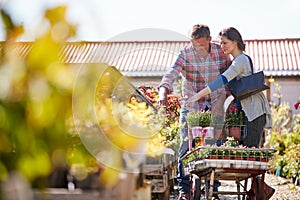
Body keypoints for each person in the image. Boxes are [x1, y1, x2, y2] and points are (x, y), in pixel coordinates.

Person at [157, 24, 231, 200]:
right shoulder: (185, 54)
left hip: (214, 103)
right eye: (194, 45)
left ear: (209, 40)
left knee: (214, 146)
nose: (198, 49)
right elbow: (171, 74)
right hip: (191, 104)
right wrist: (163, 92)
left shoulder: (220, 53)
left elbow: (230, 75)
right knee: (185, 145)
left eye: (202, 45)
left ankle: (212, 189)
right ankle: (184, 189)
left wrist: (223, 98)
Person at [186, 27, 272, 148]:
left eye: (225, 43)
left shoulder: (241, 60)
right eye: (221, 43)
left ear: (235, 41)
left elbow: (221, 81)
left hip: (254, 111)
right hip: (248, 110)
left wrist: (196, 97)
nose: (222, 46)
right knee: (243, 150)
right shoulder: (236, 61)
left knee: (249, 149)